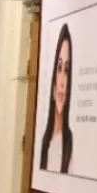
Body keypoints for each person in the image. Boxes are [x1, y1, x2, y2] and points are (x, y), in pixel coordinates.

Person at [39, 24, 73, 174]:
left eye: (66, 70)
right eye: (59, 68)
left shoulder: (70, 143)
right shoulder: (45, 140)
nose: (62, 82)